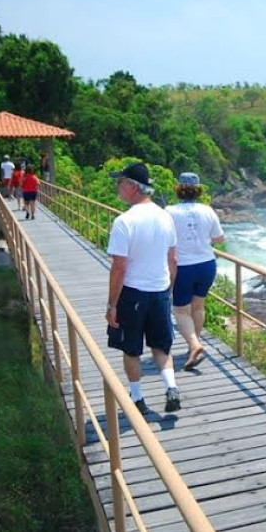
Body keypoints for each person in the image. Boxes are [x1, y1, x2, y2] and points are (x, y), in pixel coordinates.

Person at [106, 162, 180, 415]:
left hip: (133, 293)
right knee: (161, 346)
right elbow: (173, 260)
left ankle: (137, 398)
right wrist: (168, 292)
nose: (118, 187)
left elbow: (119, 267)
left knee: (131, 348)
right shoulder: (165, 216)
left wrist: (112, 305)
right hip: (159, 291)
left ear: (131, 187)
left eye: (120, 182)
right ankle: (171, 388)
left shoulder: (124, 221)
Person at [166, 172, 225, 370]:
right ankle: (196, 343)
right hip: (207, 264)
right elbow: (219, 239)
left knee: (180, 310)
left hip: (184, 266)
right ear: (198, 189)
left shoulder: (169, 211)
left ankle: (194, 345)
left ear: (179, 189)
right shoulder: (207, 210)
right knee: (198, 306)